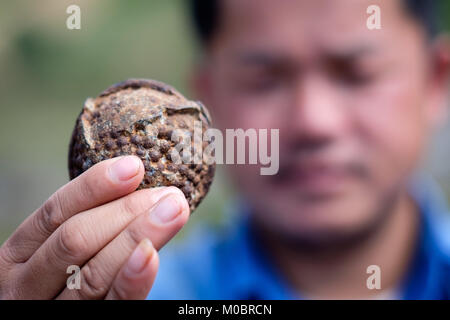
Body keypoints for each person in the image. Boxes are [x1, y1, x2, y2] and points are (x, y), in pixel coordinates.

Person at [0, 0, 448, 300]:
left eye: (356, 73)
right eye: (264, 78)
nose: (314, 122)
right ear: (204, 106)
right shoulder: (139, 290)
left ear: (436, 80)